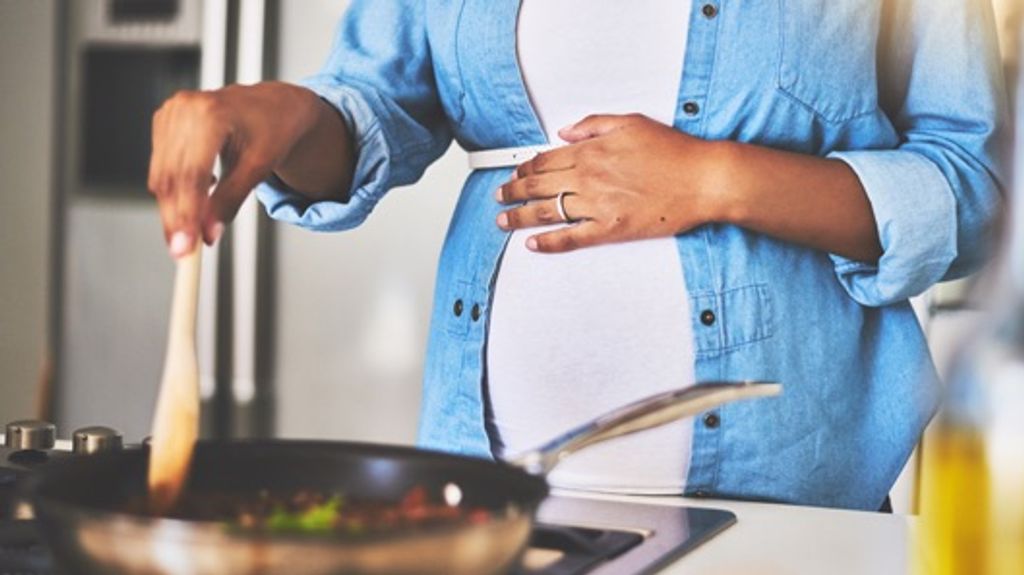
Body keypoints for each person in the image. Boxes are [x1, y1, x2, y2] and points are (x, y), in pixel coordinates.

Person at [148, 0, 1008, 511]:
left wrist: (716, 178)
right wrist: (287, 116)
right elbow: (372, 108)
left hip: (788, 515)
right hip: (492, 508)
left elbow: (974, 185)